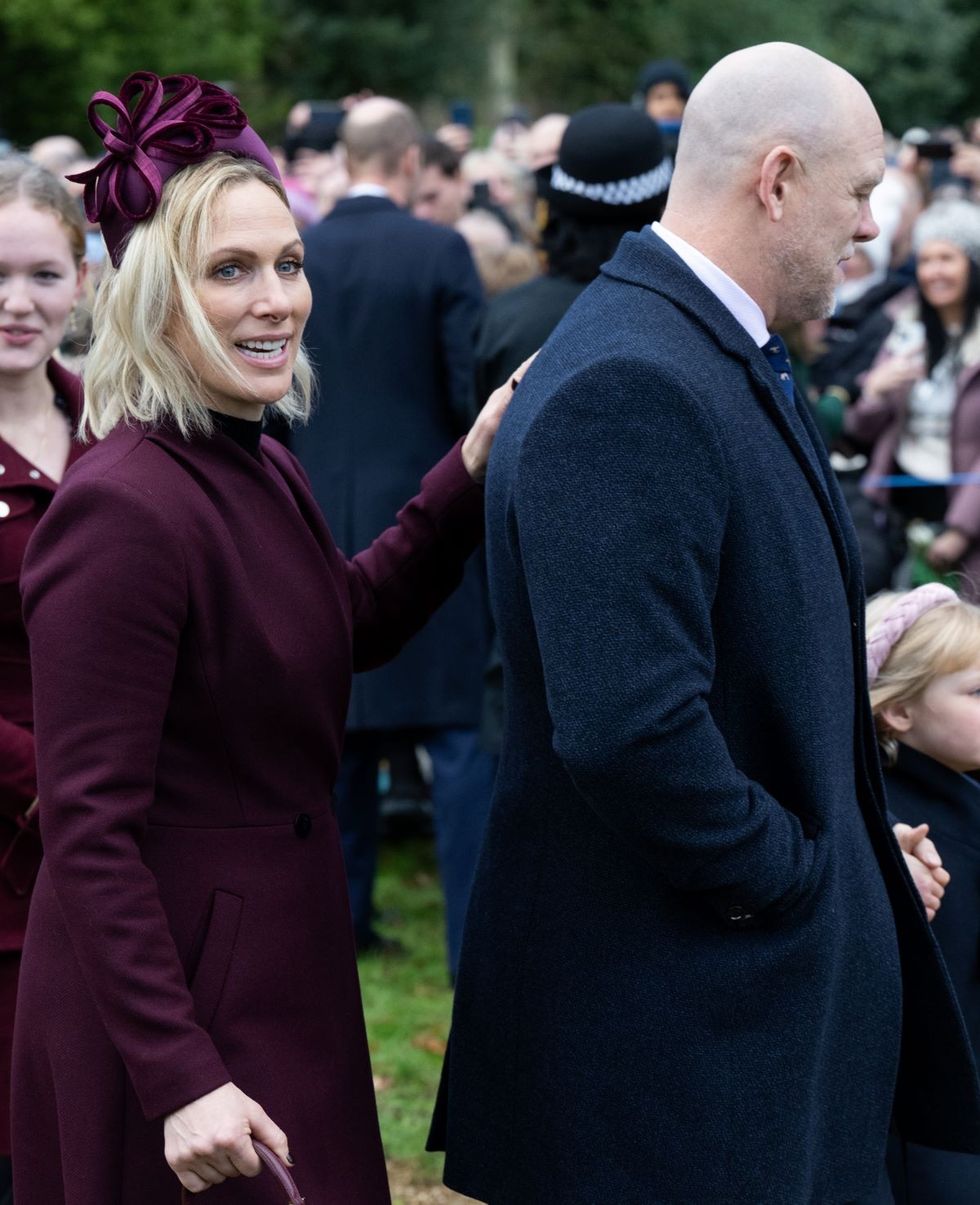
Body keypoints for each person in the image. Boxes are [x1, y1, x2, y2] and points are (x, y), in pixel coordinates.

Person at [430, 43, 980, 1203]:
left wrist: (850, 840)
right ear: (775, 179)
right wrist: (803, 878)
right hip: (672, 1057)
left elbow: (754, 673)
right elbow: (631, 730)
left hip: (713, 1039)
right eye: (859, 192)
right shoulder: (633, 376)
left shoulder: (695, 346)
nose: (872, 229)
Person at [11, 71, 516, 1204]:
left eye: (287, 264)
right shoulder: (123, 505)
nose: (276, 299)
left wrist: (469, 466)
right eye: (229, 271)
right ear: (152, 295)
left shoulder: (252, 450)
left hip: (274, 967)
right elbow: (87, 829)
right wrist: (179, 1071)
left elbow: (335, 624)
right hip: (174, 1005)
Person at [293, 97, 493, 973]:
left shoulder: (302, 253)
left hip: (321, 519)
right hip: (426, 518)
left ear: (345, 156)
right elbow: (468, 392)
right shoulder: (440, 248)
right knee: (454, 739)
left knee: (339, 741)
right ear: (410, 163)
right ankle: (470, 944)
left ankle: (341, 927)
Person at [0, 157, 86, 1201]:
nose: (17, 304)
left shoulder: (117, 423)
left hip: (108, 850)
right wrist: (55, 783)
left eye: (43, 275)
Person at [867, 584, 980, 1201]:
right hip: (931, 1126)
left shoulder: (963, 796)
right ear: (899, 711)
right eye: (977, 693)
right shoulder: (908, 831)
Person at [846, 200, 980, 596]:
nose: (933, 272)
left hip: (961, 507)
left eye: (947, 258)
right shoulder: (905, 330)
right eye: (925, 260)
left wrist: (962, 527)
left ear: (973, 264)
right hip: (897, 503)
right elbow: (861, 430)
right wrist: (873, 391)